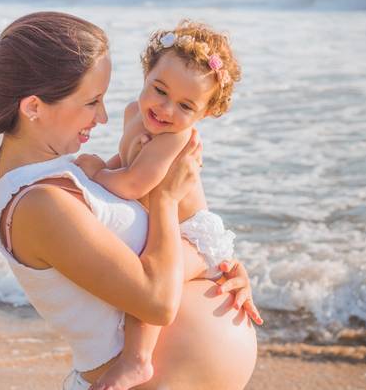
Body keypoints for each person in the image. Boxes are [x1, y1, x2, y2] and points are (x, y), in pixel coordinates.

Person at [0, 12, 259, 390]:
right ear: (33, 107)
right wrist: (165, 197)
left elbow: (149, 250)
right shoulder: (39, 204)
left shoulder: (63, 174)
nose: (103, 116)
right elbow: (157, 301)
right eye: (92, 101)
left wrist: (219, 263)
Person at [73, 21, 254, 390]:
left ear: (204, 114)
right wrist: (106, 165)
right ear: (146, 74)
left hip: (195, 239)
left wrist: (94, 173)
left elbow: (134, 182)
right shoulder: (132, 114)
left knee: (153, 283)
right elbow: (125, 162)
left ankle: (137, 361)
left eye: (186, 105)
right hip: (171, 225)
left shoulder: (176, 139)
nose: (166, 109)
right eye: (159, 90)